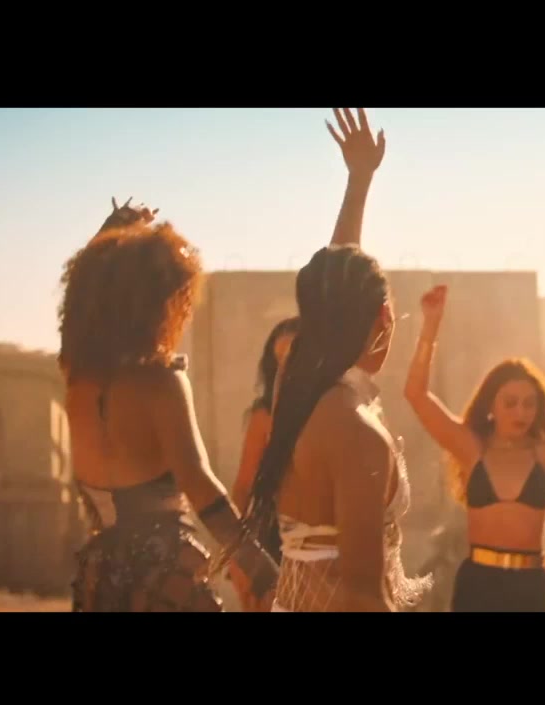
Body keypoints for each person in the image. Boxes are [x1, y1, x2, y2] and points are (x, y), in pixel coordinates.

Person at [222, 107, 430, 612]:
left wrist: (359, 182)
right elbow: (362, 596)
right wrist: (359, 180)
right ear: (385, 316)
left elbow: (334, 283)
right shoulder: (355, 429)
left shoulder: (297, 386)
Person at [61, 198, 278, 612]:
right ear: (158, 302)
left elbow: (80, 305)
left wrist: (109, 236)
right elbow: (201, 487)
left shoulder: (79, 381)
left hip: (103, 580)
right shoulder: (160, 381)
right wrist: (265, 573)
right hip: (163, 577)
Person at [404, 284, 545, 612]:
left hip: (527, 584)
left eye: (529, 404)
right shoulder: (473, 448)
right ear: (491, 406)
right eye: (511, 403)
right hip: (477, 583)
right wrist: (430, 327)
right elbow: (416, 395)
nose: (521, 412)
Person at [229, 317, 299, 611]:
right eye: (278, 359)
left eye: (293, 356)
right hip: (272, 542)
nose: (285, 367)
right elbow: (244, 486)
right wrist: (236, 555)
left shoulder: (333, 408)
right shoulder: (264, 417)